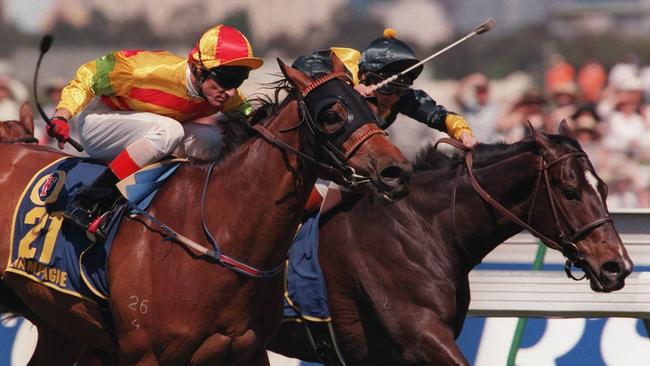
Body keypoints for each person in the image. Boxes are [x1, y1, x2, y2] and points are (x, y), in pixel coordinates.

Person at [48, 24, 263, 231]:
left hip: (149, 128)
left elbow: (254, 121)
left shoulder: (227, 95)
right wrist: (62, 115)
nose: (232, 92)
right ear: (199, 70)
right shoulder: (143, 71)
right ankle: (89, 199)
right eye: (227, 80)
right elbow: (88, 76)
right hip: (100, 122)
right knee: (170, 131)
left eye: (240, 80)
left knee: (215, 139)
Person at [292, 28, 478, 214]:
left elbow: (440, 116)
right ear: (365, 75)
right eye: (388, 89)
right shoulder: (344, 66)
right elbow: (301, 64)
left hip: (342, 166)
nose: (393, 98)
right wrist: (348, 87)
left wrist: (464, 133)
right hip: (303, 156)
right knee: (309, 205)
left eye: (399, 91)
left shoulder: (400, 97)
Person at [453, 72, 501, 142]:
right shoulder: (470, 106)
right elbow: (456, 96)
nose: (482, 95)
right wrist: (470, 79)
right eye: (479, 92)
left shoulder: (494, 107)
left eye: (484, 92)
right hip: (469, 146)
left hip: (487, 147)